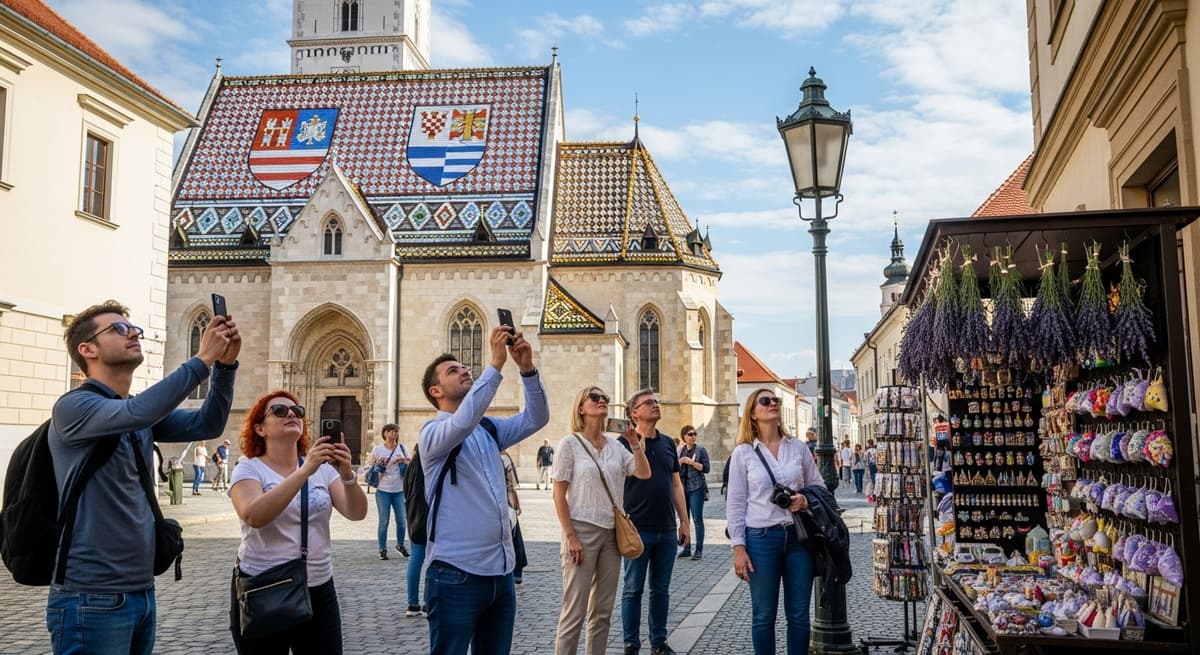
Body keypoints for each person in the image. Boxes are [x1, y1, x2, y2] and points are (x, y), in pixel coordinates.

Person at [47, 300, 239, 655]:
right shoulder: (74, 407)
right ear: (86, 349)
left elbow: (206, 424)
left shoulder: (134, 411)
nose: (133, 333)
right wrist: (203, 360)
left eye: (135, 329)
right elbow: (137, 412)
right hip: (91, 594)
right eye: (118, 329)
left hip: (140, 590)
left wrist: (225, 367)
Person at [419, 324, 549, 655]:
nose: (464, 369)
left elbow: (536, 418)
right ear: (436, 391)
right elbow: (461, 423)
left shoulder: (488, 428)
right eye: (453, 370)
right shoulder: (433, 433)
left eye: (465, 366)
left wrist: (527, 370)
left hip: (501, 573)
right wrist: (494, 364)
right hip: (454, 574)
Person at [227, 390, 368, 653]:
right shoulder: (248, 468)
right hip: (264, 587)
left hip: (318, 587)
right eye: (279, 411)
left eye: (298, 411)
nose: (291, 414)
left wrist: (347, 474)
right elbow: (254, 515)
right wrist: (304, 472)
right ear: (260, 428)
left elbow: (356, 512)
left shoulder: (323, 469)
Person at [552, 387, 651, 655]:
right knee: (574, 612)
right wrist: (570, 535)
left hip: (611, 535)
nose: (602, 401)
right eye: (595, 398)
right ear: (581, 408)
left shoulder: (615, 446)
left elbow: (643, 473)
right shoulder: (569, 444)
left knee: (603, 612)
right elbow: (559, 494)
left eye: (605, 398)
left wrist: (634, 442)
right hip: (581, 531)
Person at [726, 389, 825, 655]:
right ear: (753, 414)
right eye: (765, 401)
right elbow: (735, 503)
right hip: (760, 539)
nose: (773, 404)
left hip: (798, 537)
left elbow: (818, 485)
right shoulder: (743, 453)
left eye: (776, 401)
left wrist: (804, 499)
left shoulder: (798, 448)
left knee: (799, 615)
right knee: (763, 615)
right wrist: (738, 547)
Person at [619, 388, 689, 655]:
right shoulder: (623, 443)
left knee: (661, 590)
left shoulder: (668, 443)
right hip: (636, 530)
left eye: (657, 401)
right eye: (648, 403)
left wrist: (684, 522)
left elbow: (676, 484)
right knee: (632, 589)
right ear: (634, 412)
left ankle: (658, 642)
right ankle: (630, 644)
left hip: (667, 530)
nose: (656, 405)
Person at [367, 423, 410, 560]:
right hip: (383, 490)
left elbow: (409, 462)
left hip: (399, 489)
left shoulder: (402, 448)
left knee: (401, 520)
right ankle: (382, 549)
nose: (394, 434)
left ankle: (400, 544)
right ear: (385, 433)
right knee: (384, 521)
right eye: (391, 431)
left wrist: (403, 460)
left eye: (396, 432)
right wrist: (381, 463)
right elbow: (369, 466)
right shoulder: (378, 449)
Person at [676, 425, 710, 560]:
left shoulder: (701, 450)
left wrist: (691, 462)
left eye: (694, 434)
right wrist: (680, 461)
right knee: (685, 520)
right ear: (684, 437)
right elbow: (674, 469)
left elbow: (706, 468)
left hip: (697, 487)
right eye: (690, 434)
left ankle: (699, 550)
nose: (693, 436)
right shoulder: (681, 450)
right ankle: (686, 548)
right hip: (683, 488)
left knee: (697, 519)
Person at [402, 442, 428, 618]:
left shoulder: (411, 467)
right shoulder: (429, 467)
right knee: (434, 560)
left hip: (412, 515)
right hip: (429, 517)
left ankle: (412, 604)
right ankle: (428, 602)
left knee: (416, 557)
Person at [500, 449, 527, 585]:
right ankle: (515, 573)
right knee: (513, 541)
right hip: (506, 504)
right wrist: (516, 504)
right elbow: (511, 485)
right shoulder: (504, 458)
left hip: (496, 506)